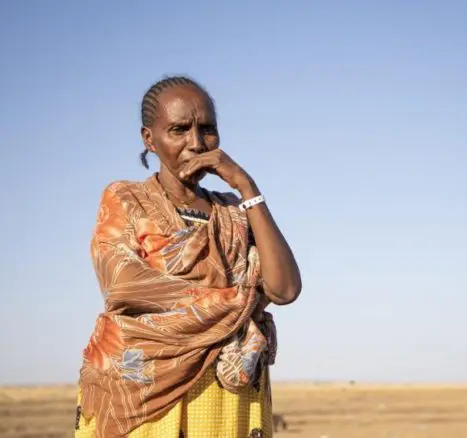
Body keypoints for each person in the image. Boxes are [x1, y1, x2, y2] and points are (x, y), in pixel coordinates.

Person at [74, 76, 302, 438]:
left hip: (227, 398)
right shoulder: (127, 198)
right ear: (149, 138)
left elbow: (285, 289)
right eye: (179, 129)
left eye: (207, 129)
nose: (196, 143)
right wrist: (242, 300)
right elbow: (123, 285)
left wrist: (246, 187)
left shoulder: (237, 212)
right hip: (144, 399)